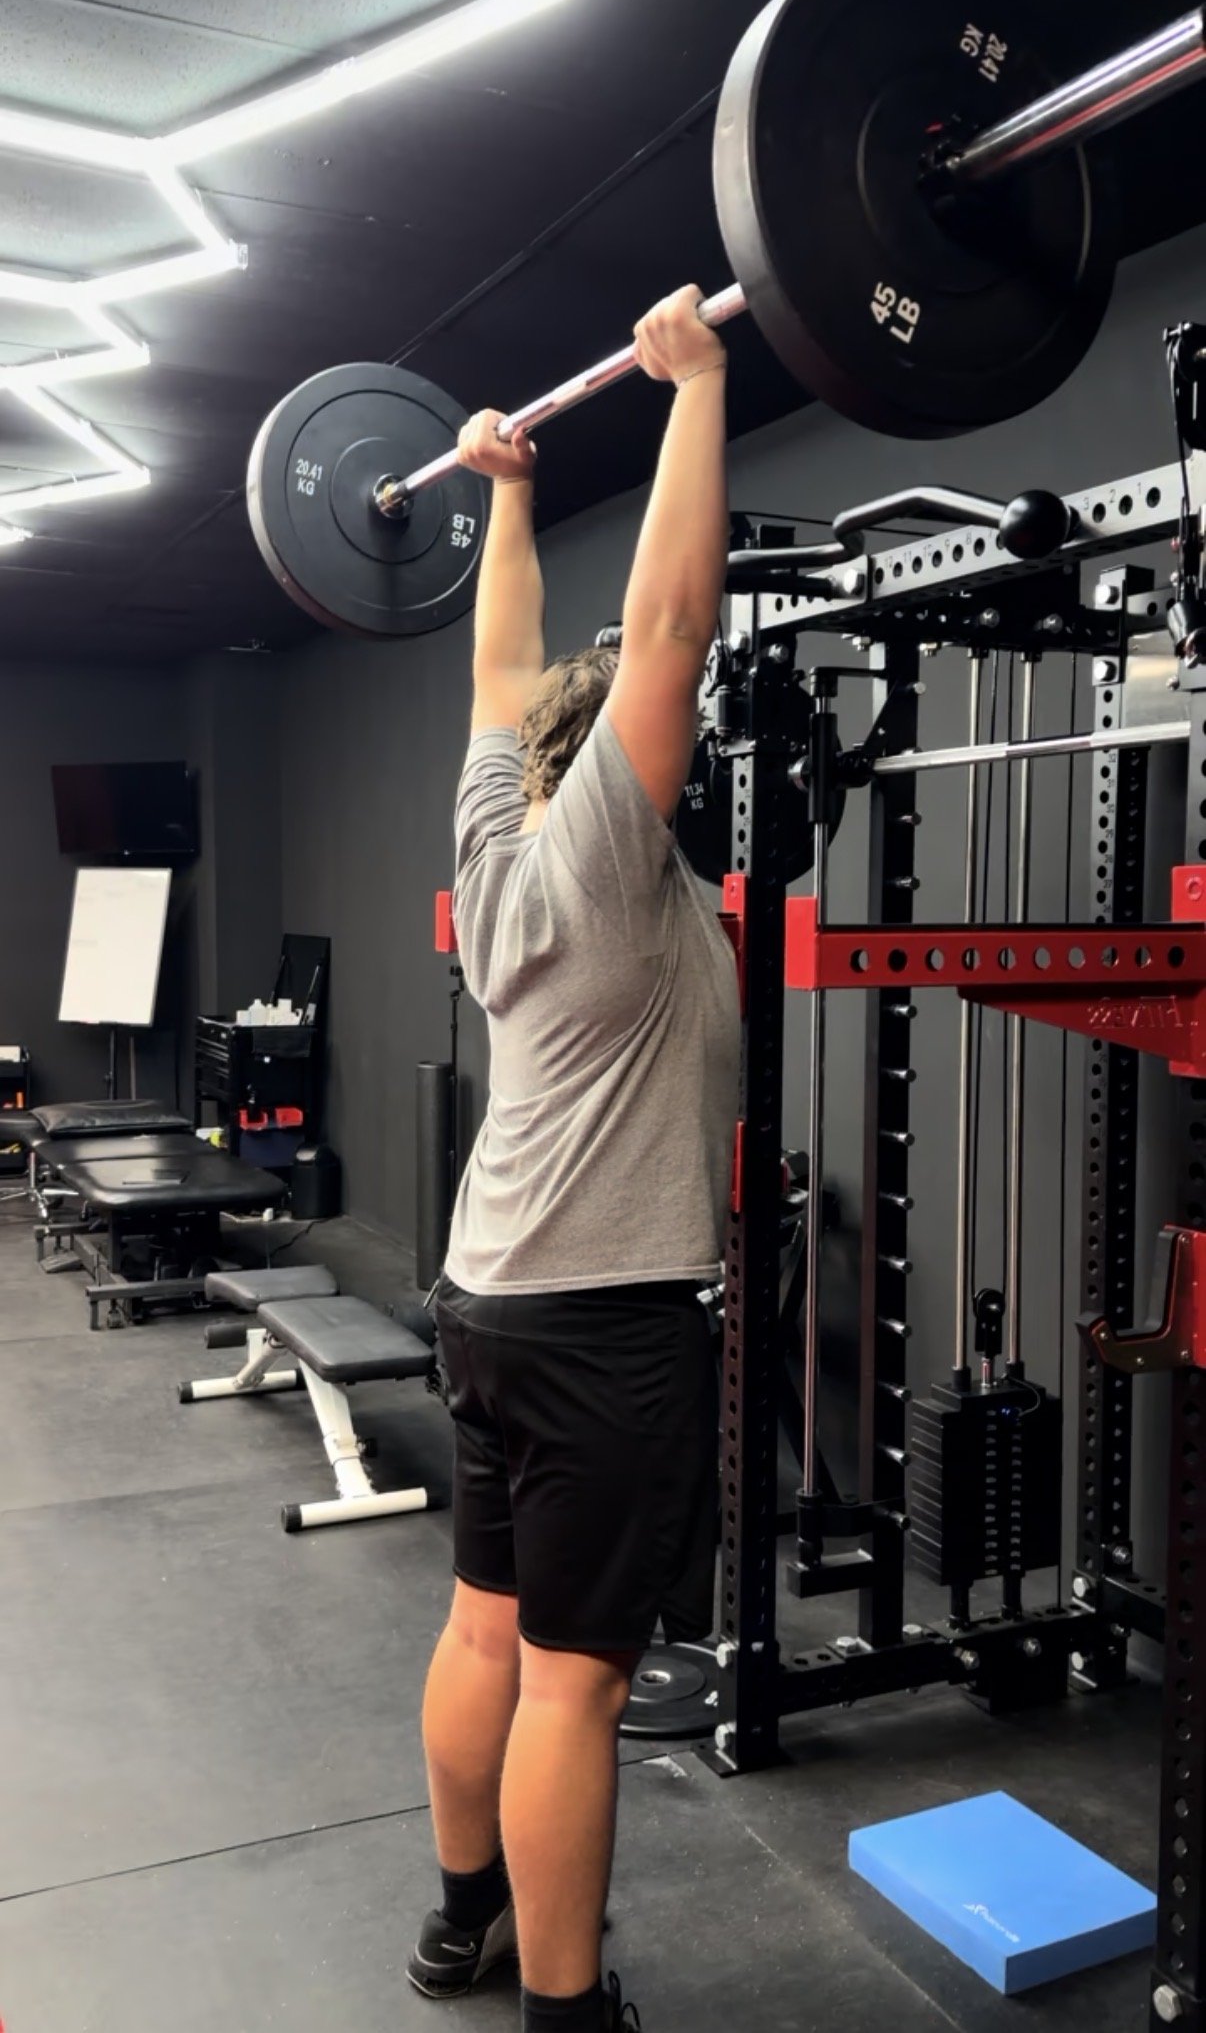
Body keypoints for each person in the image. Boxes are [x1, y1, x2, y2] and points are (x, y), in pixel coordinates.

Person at [409, 286, 741, 2033]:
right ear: (620, 756)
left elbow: (493, 670)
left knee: (481, 1633)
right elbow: (669, 625)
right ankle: (563, 2012)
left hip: (489, 1306)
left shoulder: (499, 824)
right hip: (604, 1332)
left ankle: (459, 1916)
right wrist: (692, 388)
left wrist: (509, 491)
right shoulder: (612, 858)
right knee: (569, 1687)